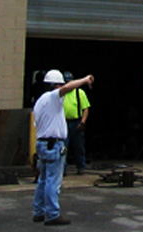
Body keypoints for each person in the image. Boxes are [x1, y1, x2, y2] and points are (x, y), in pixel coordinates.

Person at [33, 70, 94, 226]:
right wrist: (85, 79)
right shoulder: (52, 97)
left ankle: (38, 212)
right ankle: (52, 214)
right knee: (53, 181)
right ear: (56, 85)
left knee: (43, 180)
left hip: (43, 143)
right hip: (53, 144)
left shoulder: (40, 101)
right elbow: (67, 89)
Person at [61, 72, 90, 175]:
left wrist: (82, 122)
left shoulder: (79, 92)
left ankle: (81, 166)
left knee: (79, 146)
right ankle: (62, 169)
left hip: (76, 122)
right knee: (63, 147)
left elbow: (85, 108)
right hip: (63, 122)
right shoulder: (60, 93)